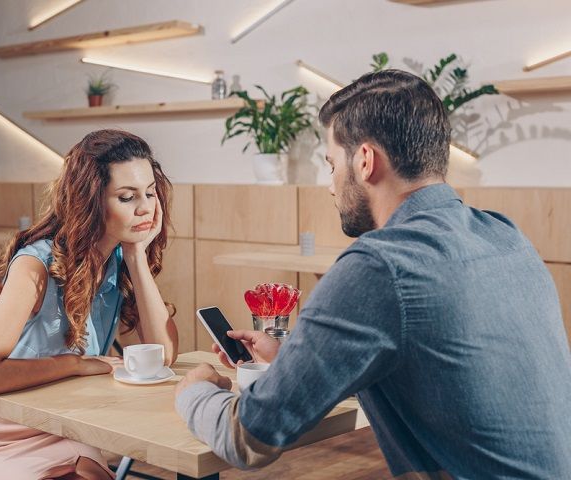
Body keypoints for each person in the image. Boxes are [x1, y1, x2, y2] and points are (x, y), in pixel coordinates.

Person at [175, 70, 571, 479]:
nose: (330, 186)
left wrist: (195, 390)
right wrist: (296, 360)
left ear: (365, 161)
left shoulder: (379, 265)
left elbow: (246, 437)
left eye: (331, 165)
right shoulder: (506, 237)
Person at [0, 129, 179, 480]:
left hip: (69, 431)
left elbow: (161, 356)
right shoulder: (34, 266)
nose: (145, 207)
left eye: (149, 193)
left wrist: (136, 255)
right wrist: (75, 365)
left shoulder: (119, 260)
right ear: (91, 200)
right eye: (127, 197)